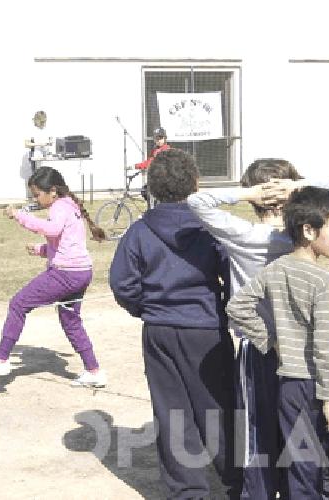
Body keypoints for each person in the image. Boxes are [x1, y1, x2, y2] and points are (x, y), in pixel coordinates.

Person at [226, 186, 329, 500]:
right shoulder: (324, 281)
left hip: (291, 387)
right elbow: (326, 347)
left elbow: (236, 307)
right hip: (327, 387)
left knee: (301, 467)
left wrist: (271, 342)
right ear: (309, 230)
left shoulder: (275, 269)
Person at [109, 148, 241, 499]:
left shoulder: (138, 231)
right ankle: (236, 479)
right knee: (216, 405)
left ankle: (187, 490)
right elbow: (233, 273)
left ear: (151, 188)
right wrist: (223, 307)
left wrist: (147, 309)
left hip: (161, 330)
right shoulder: (210, 228)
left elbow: (122, 282)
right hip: (204, 328)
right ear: (196, 184)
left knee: (172, 410)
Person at [185, 158, 304, 499]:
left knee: (256, 428)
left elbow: (197, 202)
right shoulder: (303, 234)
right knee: (299, 427)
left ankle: (259, 492)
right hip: (300, 344)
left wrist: (247, 192)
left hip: (258, 346)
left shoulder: (243, 235)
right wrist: (294, 188)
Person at [0, 166, 109, 387]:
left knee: (18, 303)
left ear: (52, 191)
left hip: (66, 273)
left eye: (37, 194)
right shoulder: (70, 206)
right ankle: (93, 371)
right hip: (81, 271)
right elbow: (65, 242)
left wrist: (20, 216)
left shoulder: (60, 207)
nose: (36, 198)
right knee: (71, 321)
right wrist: (40, 250)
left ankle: (1, 359)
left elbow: (53, 230)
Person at [21, 110, 53, 210]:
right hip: (35, 157)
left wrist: (49, 144)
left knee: (45, 179)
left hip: (45, 157)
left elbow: (49, 140)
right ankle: (36, 201)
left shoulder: (45, 130)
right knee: (36, 180)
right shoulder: (31, 130)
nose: (43, 124)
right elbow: (26, 144)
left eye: (44, 121)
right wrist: (40, 144)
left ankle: (45, 201)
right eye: (41, 121)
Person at [133, 127, 172, 207]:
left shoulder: (165, 149)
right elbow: (149, 161)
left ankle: (155, 211)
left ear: (165, 138)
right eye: (156, 138)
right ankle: (152, 210)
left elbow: (151, 162)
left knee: (150, 193)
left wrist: (136, 166)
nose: (158, 140)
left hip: (163, 181)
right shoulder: (155, 150)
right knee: (145, 191)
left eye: (160, 138)